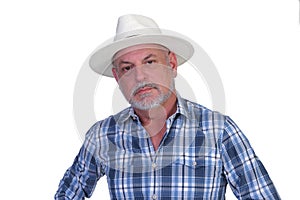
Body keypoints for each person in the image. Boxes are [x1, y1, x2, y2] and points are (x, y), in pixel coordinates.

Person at [55, 14, 280, 199]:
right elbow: (67, 193)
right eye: (127, 68)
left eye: (150, 61)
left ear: (171, 64)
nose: (139, 76)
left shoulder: (218, 130)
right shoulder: (103, 135)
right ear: (117, 76)